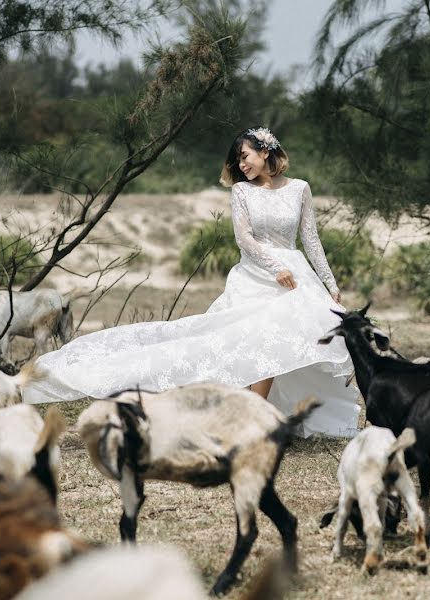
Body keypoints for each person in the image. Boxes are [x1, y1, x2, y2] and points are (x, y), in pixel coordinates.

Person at [22, 127, 361, 438]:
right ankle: (250, 419)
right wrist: (275, 267)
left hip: (295, 279)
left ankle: (257, 419)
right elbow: (244, 239)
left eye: (244, 156)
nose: (240, 165)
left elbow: (311, 240)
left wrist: (329, 283)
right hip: (257, 275)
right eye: (237, 160)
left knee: (280, 346)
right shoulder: (242, 191)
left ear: (265, 150)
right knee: (250, 345)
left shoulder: (300, 189)